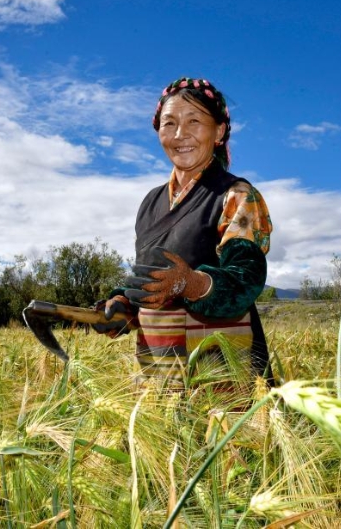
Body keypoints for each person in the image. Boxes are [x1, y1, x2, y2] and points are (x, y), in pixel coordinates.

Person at [94, 77, 273, 393]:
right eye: (170, 123)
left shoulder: (237, 196)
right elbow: (150, 279)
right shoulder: (150, 203)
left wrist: (192, 283)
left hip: (222, 373)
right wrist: (123, 303)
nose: (180, 135)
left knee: (227, 442)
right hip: (158, 373)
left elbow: (246, 281)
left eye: (194, 121)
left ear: (218, 131)